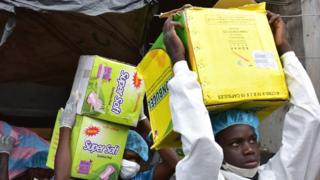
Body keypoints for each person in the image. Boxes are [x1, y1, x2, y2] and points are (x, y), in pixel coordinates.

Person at [163, 10, 320, 180]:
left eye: (252, 140)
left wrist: (285, 49)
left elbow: (310, 119)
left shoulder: (276, 175)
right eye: (235, 143)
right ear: (218, 148)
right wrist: (179, 62)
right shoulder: (202, 176)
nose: (249, 150)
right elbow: (202, 144)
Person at [54, 93, 179, 180]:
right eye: (126, 157)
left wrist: (143, 119)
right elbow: (62, 178)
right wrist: (66, 126)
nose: (130, 164)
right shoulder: (95, 175)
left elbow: (175, 164)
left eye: (136, 160)